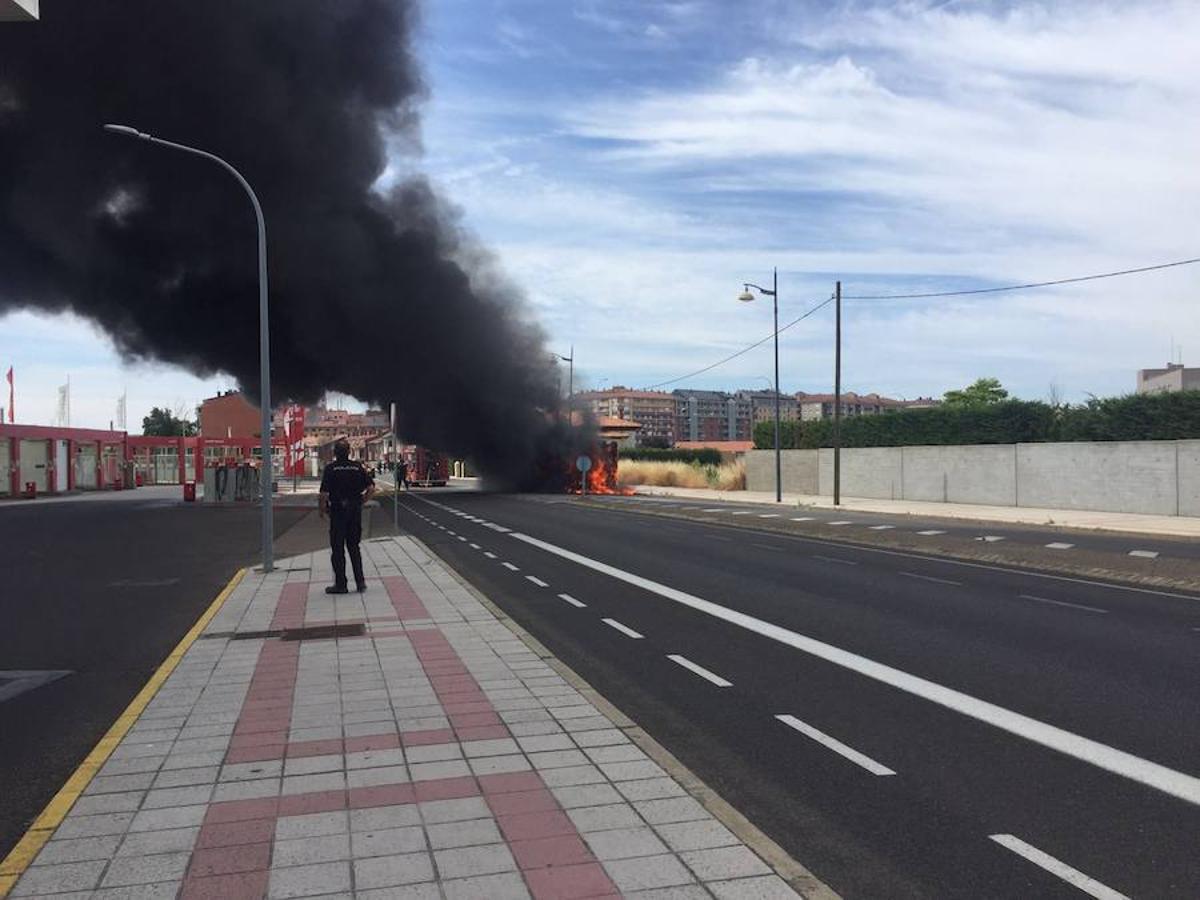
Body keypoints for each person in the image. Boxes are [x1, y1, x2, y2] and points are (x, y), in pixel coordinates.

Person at [319, 439, 374, 594]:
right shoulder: (357, 467)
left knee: (337, 549)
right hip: (354, 512)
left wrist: (322, 510)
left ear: (335, 453)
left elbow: (324, 494)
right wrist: (361, 501)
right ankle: (360, 582)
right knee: (354, 548)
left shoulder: (331, 469)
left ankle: (341, 584)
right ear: (349, 452)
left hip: (337, 512)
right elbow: (371, 488)